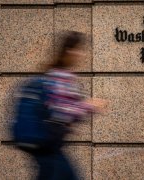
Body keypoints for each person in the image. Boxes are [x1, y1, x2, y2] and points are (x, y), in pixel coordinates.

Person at [31, 31, 105, 180]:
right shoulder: (60, 76)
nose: (82, 54)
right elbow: (59, 111)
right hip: (49, 145)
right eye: (79, 49)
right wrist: (88, 105)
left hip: (51, 145)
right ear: (69, 50)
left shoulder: (58, 74)